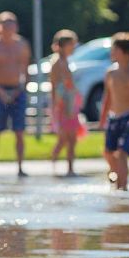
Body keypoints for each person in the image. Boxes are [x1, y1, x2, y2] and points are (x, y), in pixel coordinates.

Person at [98, 32, 129, 191]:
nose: (111, 53)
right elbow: (107, 97)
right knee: (108, 152)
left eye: (115, 50)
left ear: (126, 53)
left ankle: (122, 188)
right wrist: (102, 118)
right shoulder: (110, 73)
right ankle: (115, 171)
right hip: (114, 118)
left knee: (122, 152)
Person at [0, 11, 31, 176]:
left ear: (16, 27)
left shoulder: (22, 45)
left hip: (18, 90)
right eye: (4, 26)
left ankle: (20, 167)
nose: (8, 29)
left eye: (11, 25)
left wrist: (21, 89)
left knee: (19, 131)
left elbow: (26, 70)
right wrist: (0, 91)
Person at [49, 29, 87, 176]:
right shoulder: (57, 62)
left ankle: (69, 167)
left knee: (71, 138)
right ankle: (55, 162)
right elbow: (55, 86)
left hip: (69, 103)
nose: (73, 48)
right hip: (63, 104)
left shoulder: (65, 61)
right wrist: (58, 105)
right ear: (63, 45)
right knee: (65, 138)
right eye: (71, 44)